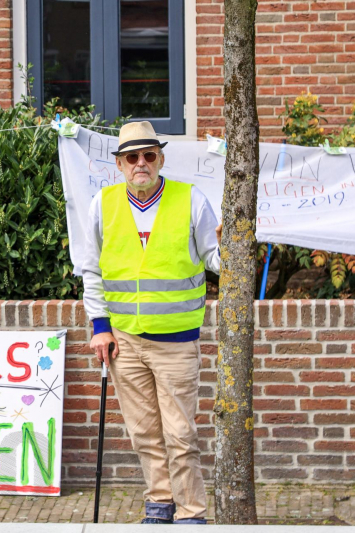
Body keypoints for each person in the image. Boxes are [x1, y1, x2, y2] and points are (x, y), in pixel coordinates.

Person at [83, 121, 222, 525]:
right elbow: (90, 271)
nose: (141, 163)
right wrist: (99, 328)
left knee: (180, 435)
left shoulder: (191, 200)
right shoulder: (102, 204)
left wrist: (234, 245)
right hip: (125, 341)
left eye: (149, 155)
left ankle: (191, 513)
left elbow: (214, 260)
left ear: (160, 158)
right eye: (132, 157)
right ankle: (159, 504)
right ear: (120, 164)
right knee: (144, 433)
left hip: (177, 344)